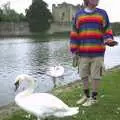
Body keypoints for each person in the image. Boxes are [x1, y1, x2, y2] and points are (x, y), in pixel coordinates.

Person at [70, 0, 118, 106]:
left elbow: (107, 30)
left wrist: (109, 39)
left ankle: (94, 98)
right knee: (83, 75)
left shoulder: (102, 13)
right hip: (82, 52)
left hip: (98, 51)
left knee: (96, 76)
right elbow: (74, 33)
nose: (97, 0)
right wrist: (74, 50)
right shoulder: (78, 15)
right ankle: (86, 96)